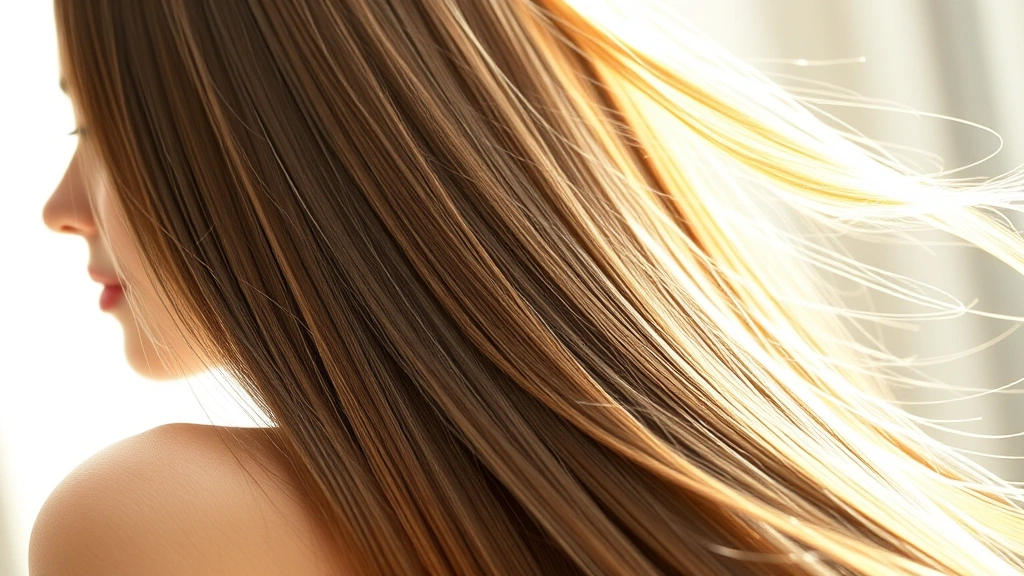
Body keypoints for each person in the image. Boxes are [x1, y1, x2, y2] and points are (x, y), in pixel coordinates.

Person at [29, 0, 1024, 574]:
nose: (56, 207)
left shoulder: (151, 519)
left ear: (269, 133)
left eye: (95, 125)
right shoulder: (855, 513)